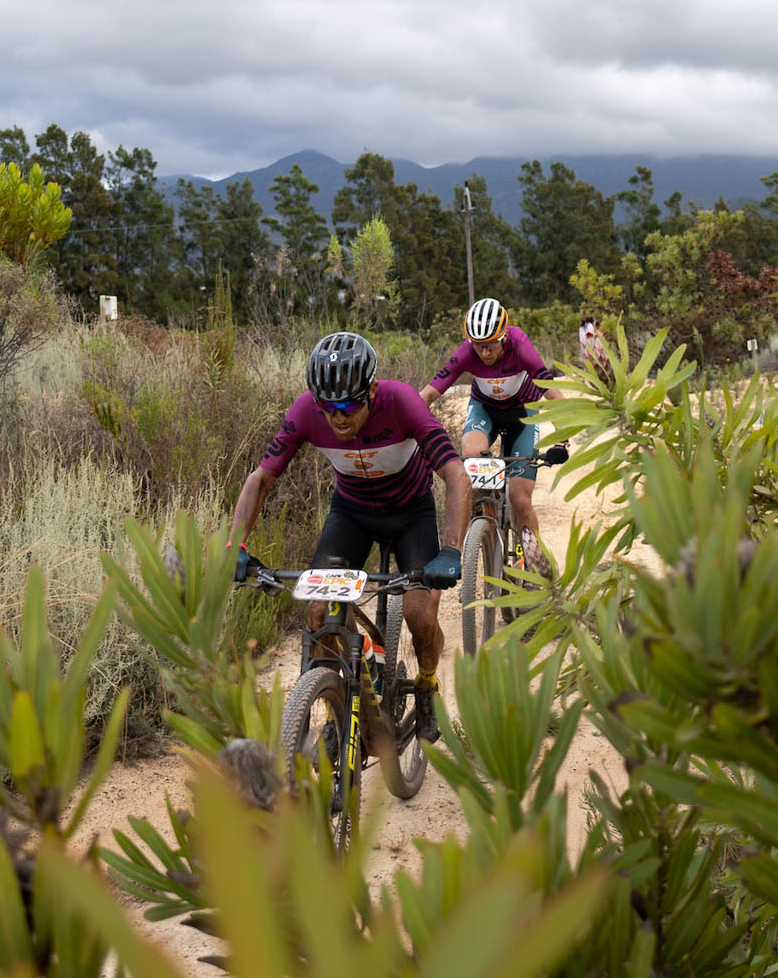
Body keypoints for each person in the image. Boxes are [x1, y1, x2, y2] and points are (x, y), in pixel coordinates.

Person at [229, 331, 468, 742]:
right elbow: (260, 479)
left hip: (411, 513)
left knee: (419, 615)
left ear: (372, 390)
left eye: (348, 405)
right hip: (352, 514)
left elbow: (455, 474)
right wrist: (234, 547)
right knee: (319, 617)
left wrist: (450, 550)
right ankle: (340, 702)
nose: (338, 417)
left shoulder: (401, 402)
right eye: (327, 407)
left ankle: (427, 685)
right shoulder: (307, 412)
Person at [416, 297, 570, 565]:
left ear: (503, 336)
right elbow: (430, 392)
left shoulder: (520, 346)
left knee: (519, 497)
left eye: (490, 346)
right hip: (485, 410)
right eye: (478, 346)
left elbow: (550, 389)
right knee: (472, 454)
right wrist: (408, 425)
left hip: (523, 412)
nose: (484, 353)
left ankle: (531, 559)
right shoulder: (466, 352)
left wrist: (564, 438)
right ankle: (483, 523)